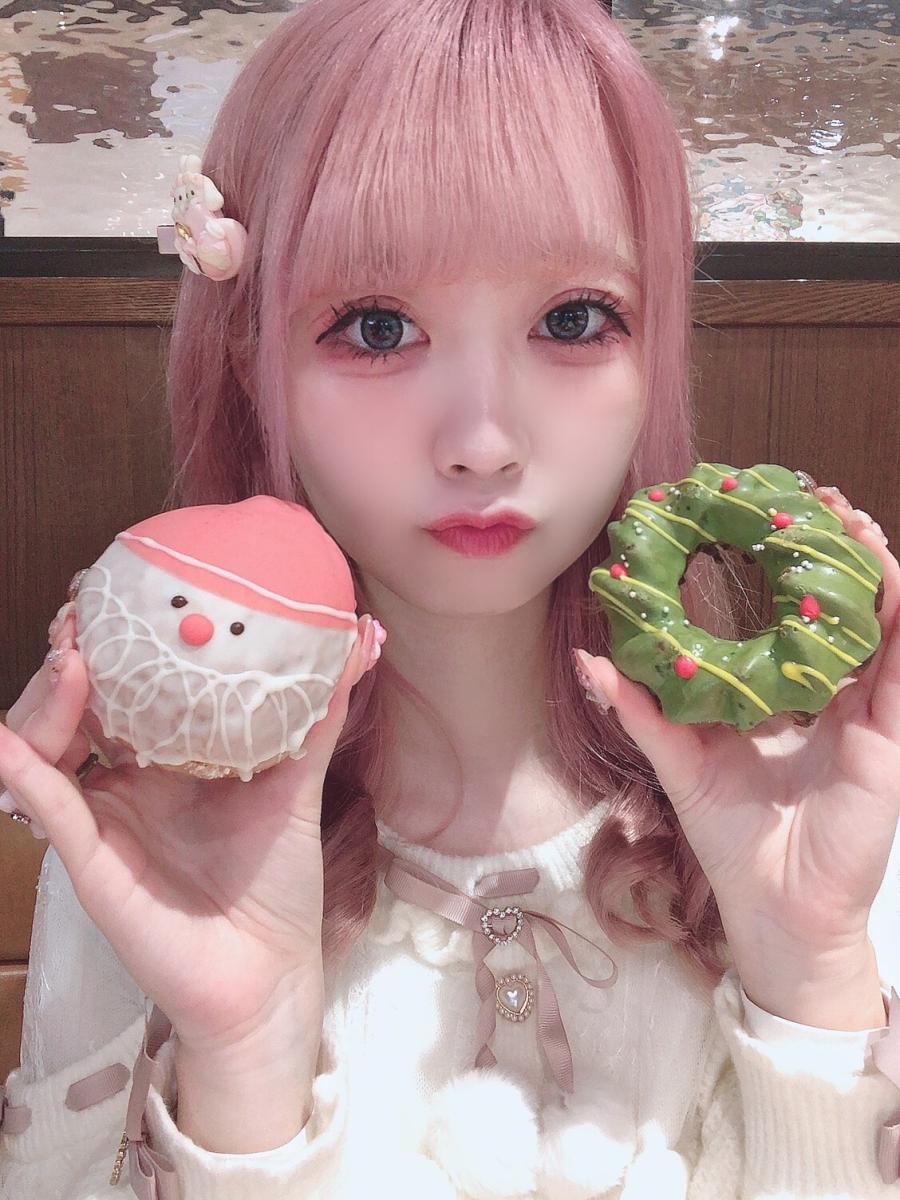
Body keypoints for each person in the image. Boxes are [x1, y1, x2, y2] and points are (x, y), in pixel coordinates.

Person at [2, 1, 900, 1196]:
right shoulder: (158, 823)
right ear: (250, 357)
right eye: (377, 327)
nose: (483, 440)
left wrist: (811, 972)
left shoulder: (809, 799)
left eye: (574, 319)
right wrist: (245, 1072)